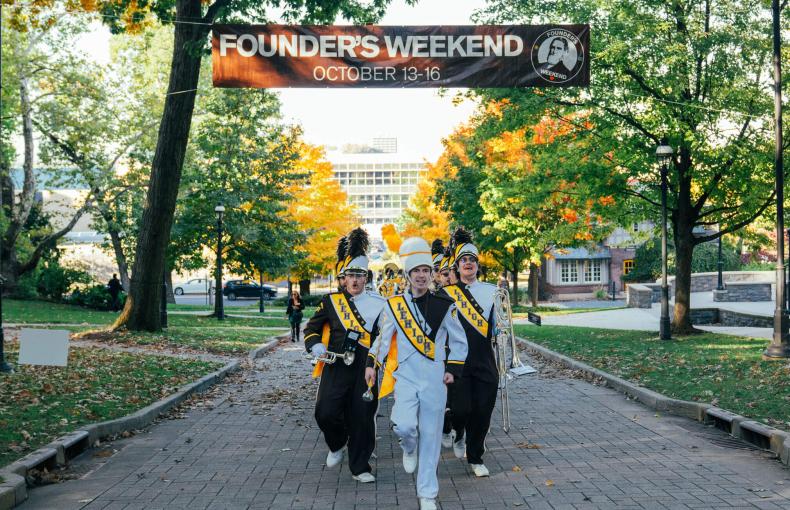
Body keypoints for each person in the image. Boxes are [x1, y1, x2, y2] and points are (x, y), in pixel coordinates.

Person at [365, 237, 467, 510]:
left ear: (431, 274)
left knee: (432, 436)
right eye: (416, 271)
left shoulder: (444, 305)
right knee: (405, 425)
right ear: (408, 275)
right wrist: (371, 365)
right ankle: (408, 446)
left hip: (435, 377)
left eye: (425, 270)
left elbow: (459, 342)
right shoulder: (394, 305)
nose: (421, 276)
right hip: (407, 376)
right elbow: (381, 341)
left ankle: (427, 494)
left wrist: (452, 370)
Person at [304, 227, 386, 483]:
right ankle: (337, 443)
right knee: (325, 412)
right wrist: (315, 345)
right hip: (336, 365)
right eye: (350, 275)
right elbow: (311, 328)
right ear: (343, 277)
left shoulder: (380, 303)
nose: (354, 281)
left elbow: (384, 338)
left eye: (359, 275)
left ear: (366, 277)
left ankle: (360, 467)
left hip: (365, 366)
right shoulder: (331, 302)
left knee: (362, 416)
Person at [442, 227, 499, 478]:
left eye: (472, 260)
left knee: (483, 411)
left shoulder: (491, 291)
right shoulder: (446, 294)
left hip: (485, 359)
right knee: (461, 409)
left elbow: (498, 326)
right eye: (463, 260)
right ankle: (458, 431)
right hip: (458, 362)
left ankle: (476, 457)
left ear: (478, 265)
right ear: (457, 266)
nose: (468, 264)